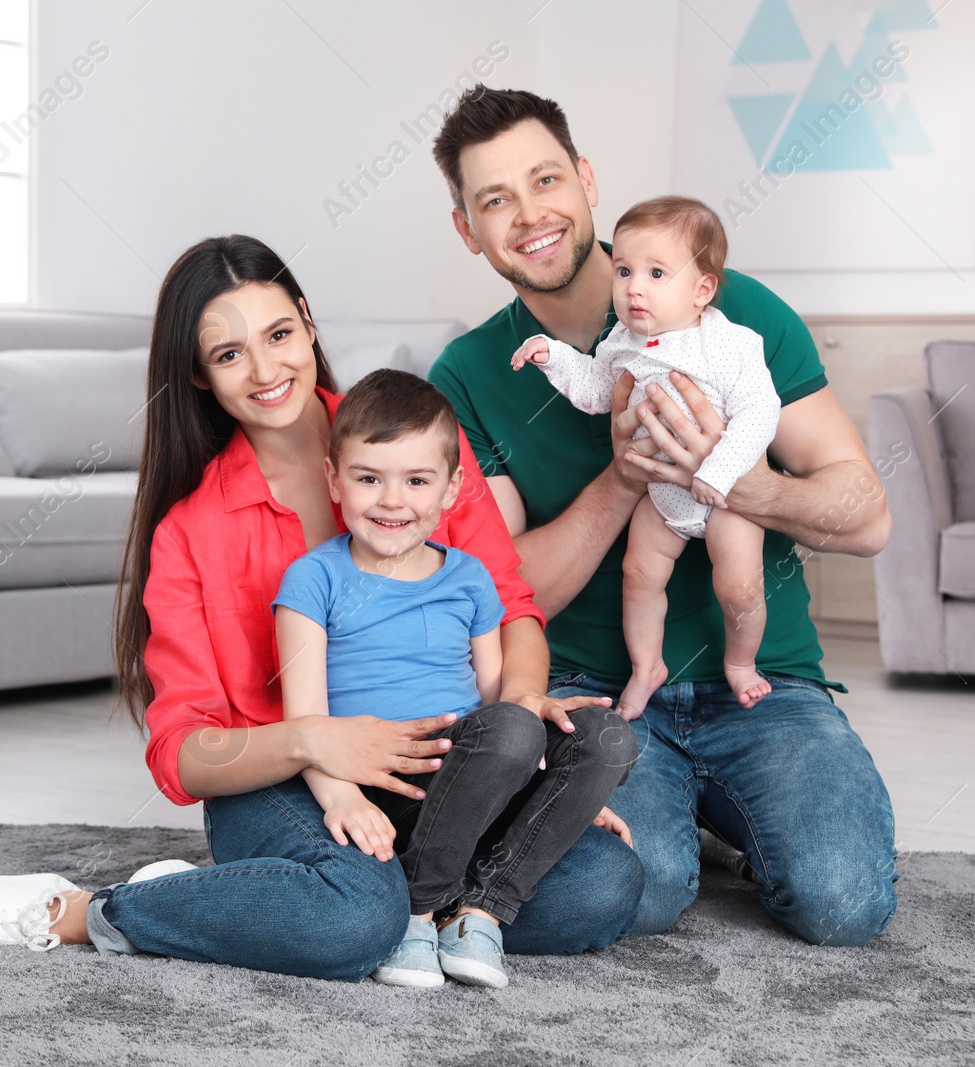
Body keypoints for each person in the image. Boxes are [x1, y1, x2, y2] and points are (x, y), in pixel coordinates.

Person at [0, 234, 642, 979]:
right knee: (359, 915)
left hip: (440, 771)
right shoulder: (192, 529)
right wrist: (316, 743)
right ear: (199, 374)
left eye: (279, 333)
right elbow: (181, 752)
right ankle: (84, 910)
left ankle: (280, 902)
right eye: (228, 353)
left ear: (309, 322)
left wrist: (527, 766)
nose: (265, 368)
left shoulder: (413, 444)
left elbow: (511, 607)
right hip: (278, 786)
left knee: (601, 883)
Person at [426, 86, 899, 946]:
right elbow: (496, 592)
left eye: (545, 180)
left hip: (765, 683)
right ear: (467, 228)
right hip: (595, 695)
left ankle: (730, 810)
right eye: (495, 200)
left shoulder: (733, 311)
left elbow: (866, 518)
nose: (530, 215)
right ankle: (692, 817)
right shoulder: (465, 374)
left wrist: (724, 477)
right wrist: (625, 476)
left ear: (587, 179)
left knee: (843, 900)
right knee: (634, 896)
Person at [274, 368, 634, 989]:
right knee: (514, 734)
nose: (393, 501)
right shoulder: (314, 580)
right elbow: (304, 720)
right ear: (335, 479)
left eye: (417, 481)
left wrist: (568, 794)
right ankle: (415, 910)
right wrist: (340, 796)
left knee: (604, 736)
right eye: (368, 478)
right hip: (389, 783)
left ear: (451, 489)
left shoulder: (469, 578)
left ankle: (482, 911)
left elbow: (499, 700)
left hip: (475, 777)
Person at [512, 195, 780, 714]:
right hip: (660, 497)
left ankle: (742, 662)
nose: (634, 287)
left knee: (740, 583)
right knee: (638, 576)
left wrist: (721, 472)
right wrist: (555, 356)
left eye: (657, 273)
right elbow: (594, 391)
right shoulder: (621, 342)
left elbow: (760, 412)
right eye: (624, 271)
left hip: (726, 497)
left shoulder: (728, 345)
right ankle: (646, 666)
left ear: (702, 290)